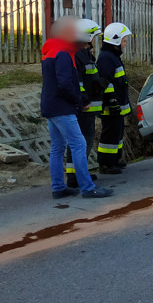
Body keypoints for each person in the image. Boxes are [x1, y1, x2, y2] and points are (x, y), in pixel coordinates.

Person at [40, 16, 112, 199]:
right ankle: (87, 188)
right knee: (78, 143)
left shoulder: (50, 51)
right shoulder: (63, 54)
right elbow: (65, 83)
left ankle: (58, 187)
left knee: (57, 147)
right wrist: (79, 101)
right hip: (62, 107)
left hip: (50, 105)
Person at [65, 18, 104, 188]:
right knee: (83, 140)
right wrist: (84, 100)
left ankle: (78, 174)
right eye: (94, 36)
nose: (95, 39)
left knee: (83, 140)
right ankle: (76, 176)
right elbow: (78, 82)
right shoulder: (79, 56)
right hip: (84, 107)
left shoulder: (85, 54)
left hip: (89, 105)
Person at [96, 22, 132, 175]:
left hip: (116, 106)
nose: (125, 44)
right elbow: (106, 82)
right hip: (110, 107)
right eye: (124, 40)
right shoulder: (106, 58)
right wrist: (112, 102)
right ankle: (106, 164)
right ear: (116, 41)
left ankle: (115, 160)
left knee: (117, 133)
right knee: (109, 134)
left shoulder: (112, 57)